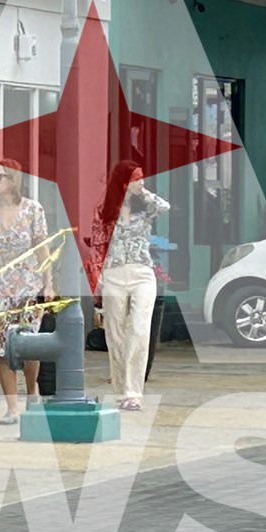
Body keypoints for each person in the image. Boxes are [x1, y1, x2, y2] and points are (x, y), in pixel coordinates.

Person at [0, 159, 54, 425]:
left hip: (27, 284)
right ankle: (12, 406)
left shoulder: (32, 210)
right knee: (2, 347)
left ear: (12, 180)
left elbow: (43, 248)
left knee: (28, 345)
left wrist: (48, 283)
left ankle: (32, 392)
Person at [92, 160, 171, 412]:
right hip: (113, 273)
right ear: (124, 181)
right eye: (137, 178)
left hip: (142, 273)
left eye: (142, 178)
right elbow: (97, 243)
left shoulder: (145, 207)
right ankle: (120, 392)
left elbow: (165, 206)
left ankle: (134, 392)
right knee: (115, 335)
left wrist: (140, 191)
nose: (142, 182)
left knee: (138, 329)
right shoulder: (104, 209)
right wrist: (97, 275)